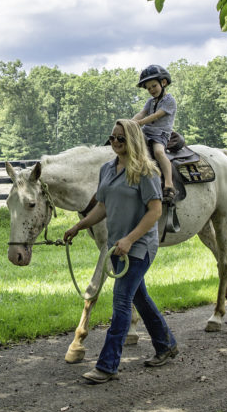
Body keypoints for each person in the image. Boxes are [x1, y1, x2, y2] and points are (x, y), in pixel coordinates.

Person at [63, 118, 179, 383]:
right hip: (117, 247)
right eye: (112, 138)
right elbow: (102, 206)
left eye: (121, 138)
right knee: (140, 298)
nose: (115, 142)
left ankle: (107, 365)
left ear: (133, 140)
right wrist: (79, 226)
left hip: (138, 247)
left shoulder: (146, 172)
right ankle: (166, 344)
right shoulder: (107, 169)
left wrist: (129, 239)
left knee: (121, 301)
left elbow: (155, 212)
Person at [133, 64, 177, 202]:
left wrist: (140, 123)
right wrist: (130, 122)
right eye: (148, 88)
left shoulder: (170, 101)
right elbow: (142, 113)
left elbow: (157, 115)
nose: (151, 90)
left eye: (154, 86)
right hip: (146, 131)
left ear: (163, 82)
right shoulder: (150, 102)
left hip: (160, 134)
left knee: (158, 152)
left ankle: (169, 184)